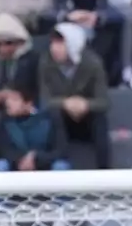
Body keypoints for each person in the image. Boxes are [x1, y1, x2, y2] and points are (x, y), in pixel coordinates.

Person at [38, 23, 111, 169]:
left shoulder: (93, 63)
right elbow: (44, 100)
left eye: (60, 44)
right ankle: (61, 163)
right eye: (53, 43)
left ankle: (105, 171)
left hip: (86, 119)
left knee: (100, 119)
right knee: (53, 114)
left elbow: (104, 101)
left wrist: (85, 105)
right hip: (61, 120)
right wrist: (66, 103)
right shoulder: (46, 63)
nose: (55, 49)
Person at [0, 84, 69, 172]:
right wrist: (22, 159)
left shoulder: (50, 118)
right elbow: (4, 150)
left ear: (28, 103)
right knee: (0, 165)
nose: (8, 103)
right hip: (17, 163)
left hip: (45, 163)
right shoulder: (5, 121)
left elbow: (60, 150)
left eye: (14, 100)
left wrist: (35, 157)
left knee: (61, 166)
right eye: (7, 99)